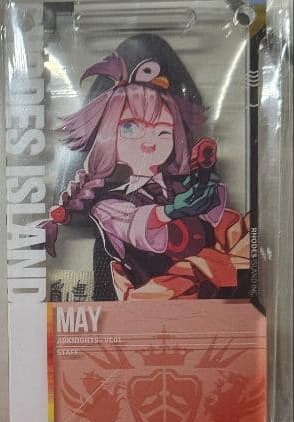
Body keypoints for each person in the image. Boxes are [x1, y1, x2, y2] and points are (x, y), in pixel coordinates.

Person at [43, 50, 251, 299]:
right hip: (152, 299)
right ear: (108, 135)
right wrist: (172, 210)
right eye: (130, 128)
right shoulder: (107, 205)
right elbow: (140, 229)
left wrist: (207, 192)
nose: (150, 141)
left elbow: (220, 224)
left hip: (213, 296)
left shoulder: (181, 186)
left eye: (163, 132)